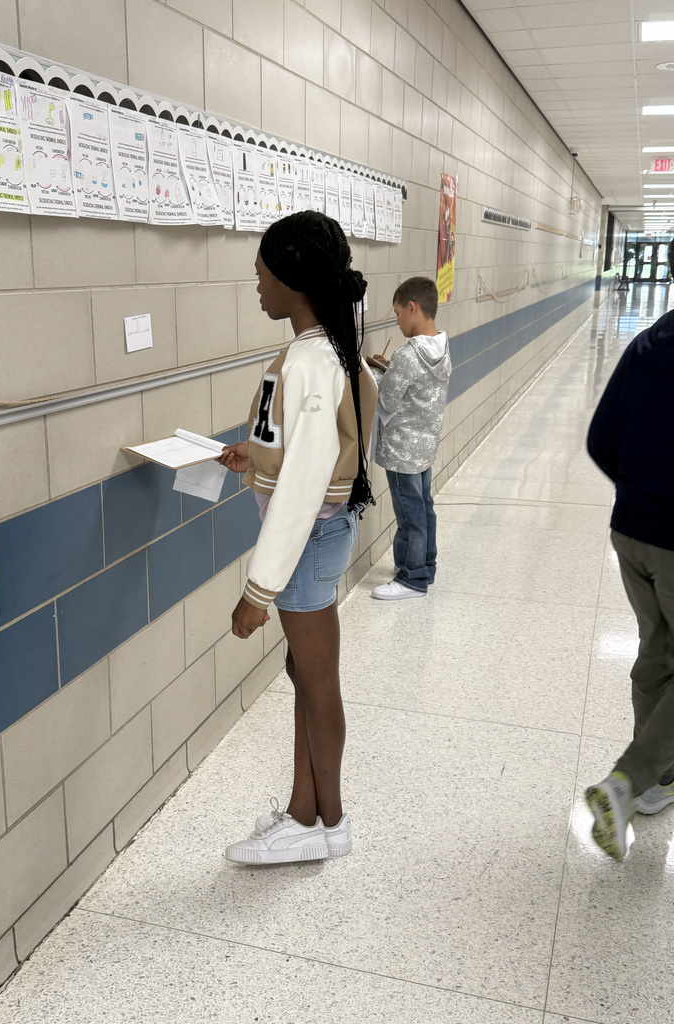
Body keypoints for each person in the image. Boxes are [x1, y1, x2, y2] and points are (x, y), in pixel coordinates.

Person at [217, 210, 378, 865]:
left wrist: (259, 590)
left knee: (316, 681)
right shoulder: (324, 349)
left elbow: (308, 481)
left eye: (262, 274)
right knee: (303, 673)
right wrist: (252, 458)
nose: (257, 287)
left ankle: (327, 826)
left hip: (306, 543)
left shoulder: (310, 359)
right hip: (317, 536)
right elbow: (307, 449)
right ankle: (304, 811)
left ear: (292, 274)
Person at [584, 243, 674, 861]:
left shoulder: (648, 343)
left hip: (632, 532)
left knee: (660, 651)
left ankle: (660, 780)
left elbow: (599, 438)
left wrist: (642, 493)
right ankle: (629, 779)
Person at [366, 277, 451, 600]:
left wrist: (374, 371)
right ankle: (425, 564)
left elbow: (386, 400)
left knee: (409, 514)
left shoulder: (408, 355)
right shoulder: (442, 347)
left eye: (398, 313)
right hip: (425, 445)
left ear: (412, 308)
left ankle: (411, 578)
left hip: (402, 451)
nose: (397, 321)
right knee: (424, 508)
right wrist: (392, 370)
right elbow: (414, 390)